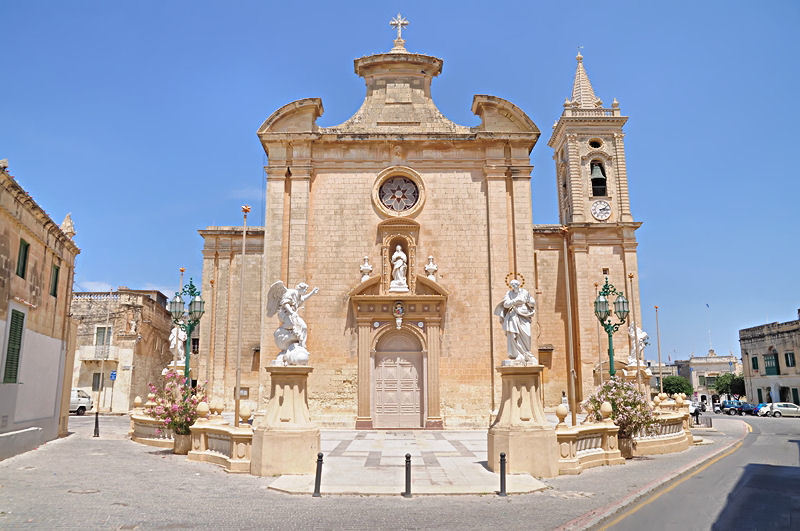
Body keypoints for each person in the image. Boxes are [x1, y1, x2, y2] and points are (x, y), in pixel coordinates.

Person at [494, 279, 537, 364]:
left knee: (527, 334)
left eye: (515, 284)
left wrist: (528, 301)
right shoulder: (509, 293)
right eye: (512, 285)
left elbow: (532, 303)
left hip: (524, 315)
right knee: (513, 334)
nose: (514, 286)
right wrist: (515, 301)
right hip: (513, 315)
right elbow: (505, 304)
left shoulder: (525, 292)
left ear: (519, 284)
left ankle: (526, 353)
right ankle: (517, 354)